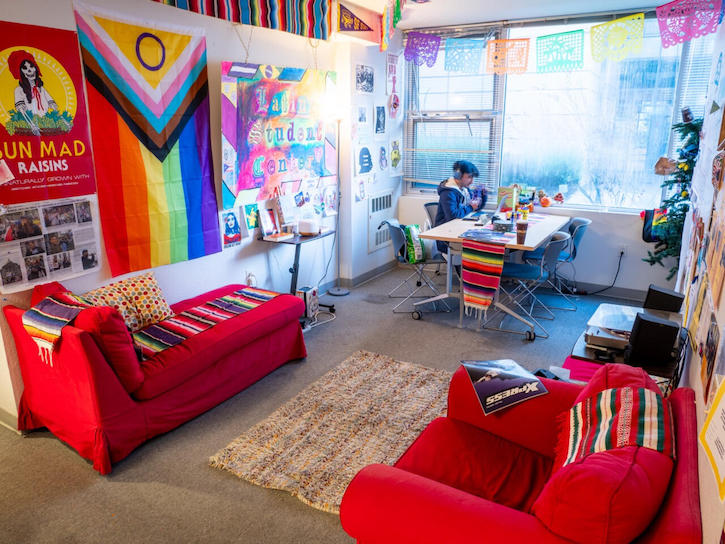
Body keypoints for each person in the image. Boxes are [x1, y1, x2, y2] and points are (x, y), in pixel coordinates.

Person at [434, 160, 487, 253]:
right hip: (447, 237)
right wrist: (470, 207)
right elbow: (453, 215)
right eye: (469, 177)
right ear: (458, 175)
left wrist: (483, 196)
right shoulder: (448, 192)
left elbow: (474, 207)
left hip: (459, 230)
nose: (472, 181)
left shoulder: (464, 189)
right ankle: (463, 267)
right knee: (479, 248)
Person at [8, 50, 60, 136]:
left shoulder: (41, 88)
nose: (30, 70)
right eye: (25, 68)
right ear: (20, 72)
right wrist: (31, 125)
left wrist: (58, 115)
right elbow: (22, 110)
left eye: (31, 66)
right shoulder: (18, 90)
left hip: (45, 120)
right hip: (32, 122)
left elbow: (52, 104)